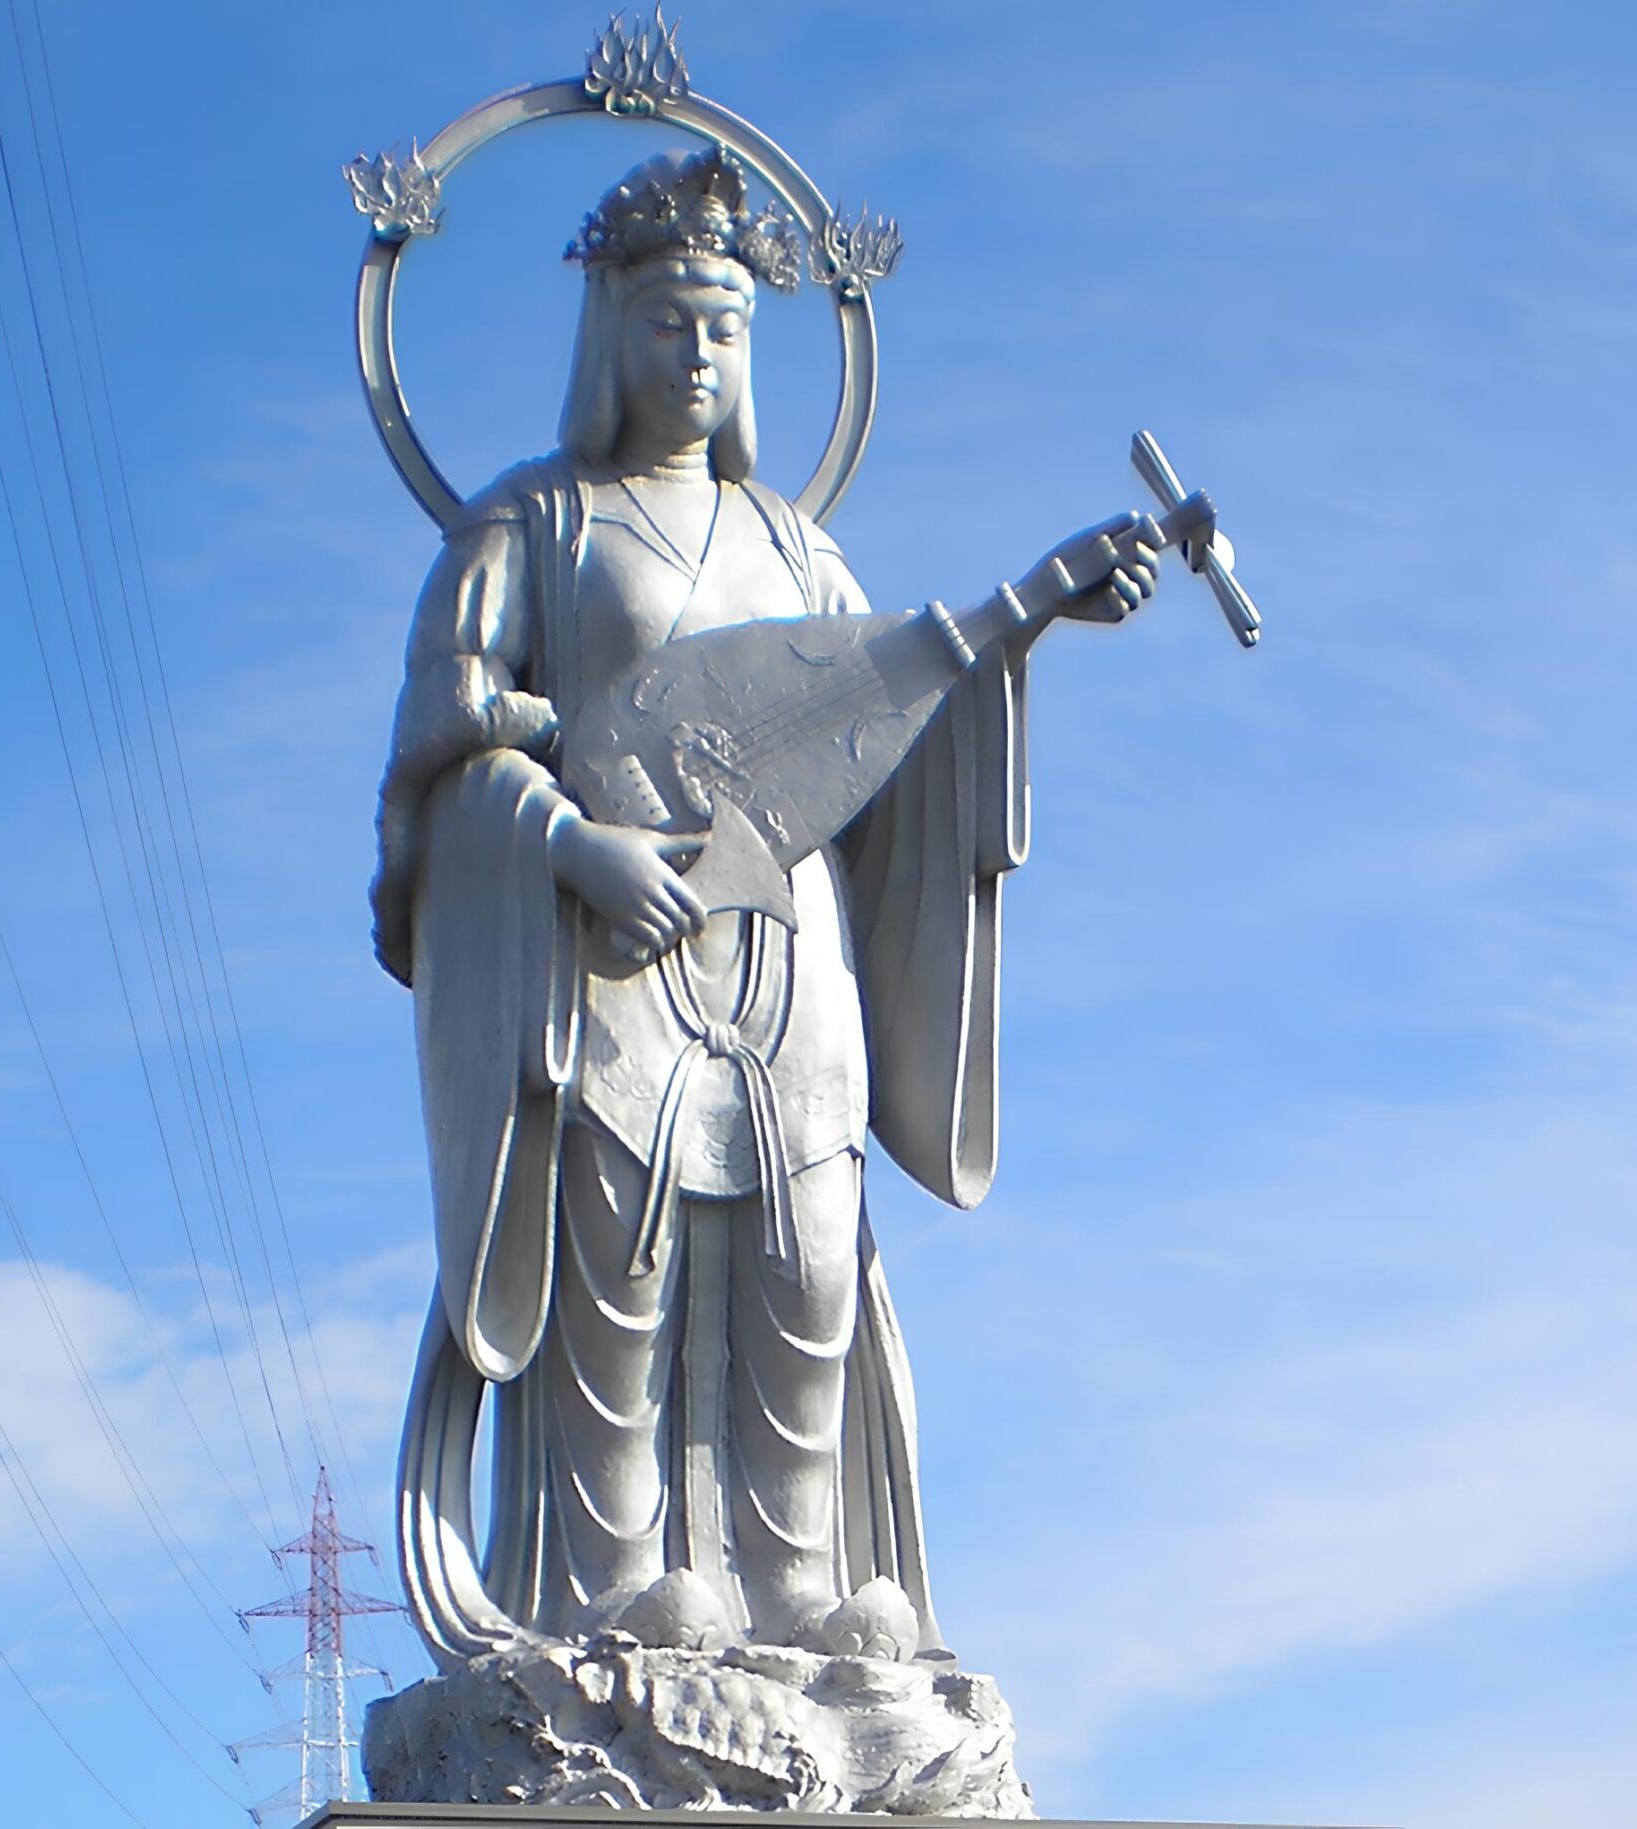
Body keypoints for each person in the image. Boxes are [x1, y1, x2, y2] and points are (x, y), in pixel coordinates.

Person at [373, 147, 1187, 1666]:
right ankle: (615, 1578)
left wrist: (1024, 631)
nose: (699, 354)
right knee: (619, 1248)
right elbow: (443, 742)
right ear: (610, 328)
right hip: (614, 930)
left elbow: (877, 719)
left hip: (789, 929)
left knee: (807, 1251)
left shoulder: (803, 550)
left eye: (727, 328)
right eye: (670, 321)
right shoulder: (533, 527)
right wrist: (568, 847)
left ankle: (800, 1574)